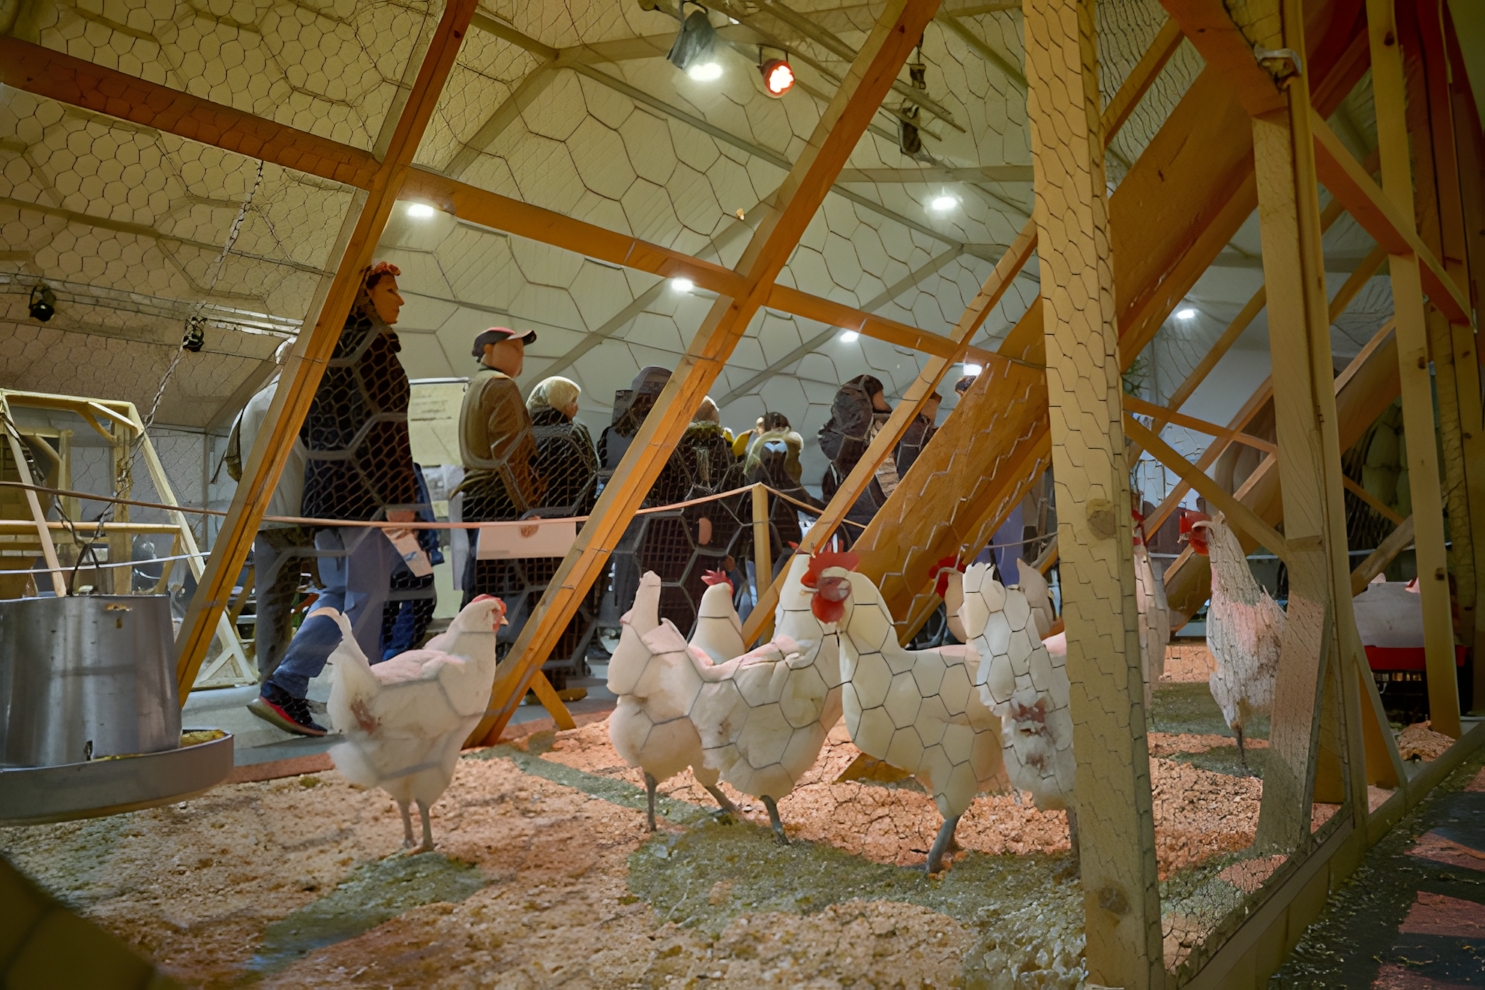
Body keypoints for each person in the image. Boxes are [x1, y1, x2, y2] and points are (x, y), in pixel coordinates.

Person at [249, 261, 422, 736]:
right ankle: (351, 704)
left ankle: (288, 687)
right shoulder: (376, 346)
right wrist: (400, 501)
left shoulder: (325, 350)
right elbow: (388, 432)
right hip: (364, 497)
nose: (399, 299)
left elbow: (306, 428)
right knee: (367, 596)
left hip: (326, 496)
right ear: (364, 295)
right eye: (391, 289)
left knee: (341, 593)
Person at [226, 340, 312, 685]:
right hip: (306, 514)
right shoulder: (303, 400)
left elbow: (234, 465)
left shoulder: (249, 406)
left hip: (265, 517)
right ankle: (297, 678)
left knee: (272, 603)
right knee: (331, 595)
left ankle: (271, 679)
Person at [818, 374, 896, 545]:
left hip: (847, 506)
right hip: (875, 507)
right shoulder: (877, 429)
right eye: (880, 396)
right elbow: (888, 475)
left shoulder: (835, 433)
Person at [895, 391, 942, 475]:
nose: (934, 411)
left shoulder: (923, 425)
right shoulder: (914, 425)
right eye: (933, 406)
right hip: (908, 471)